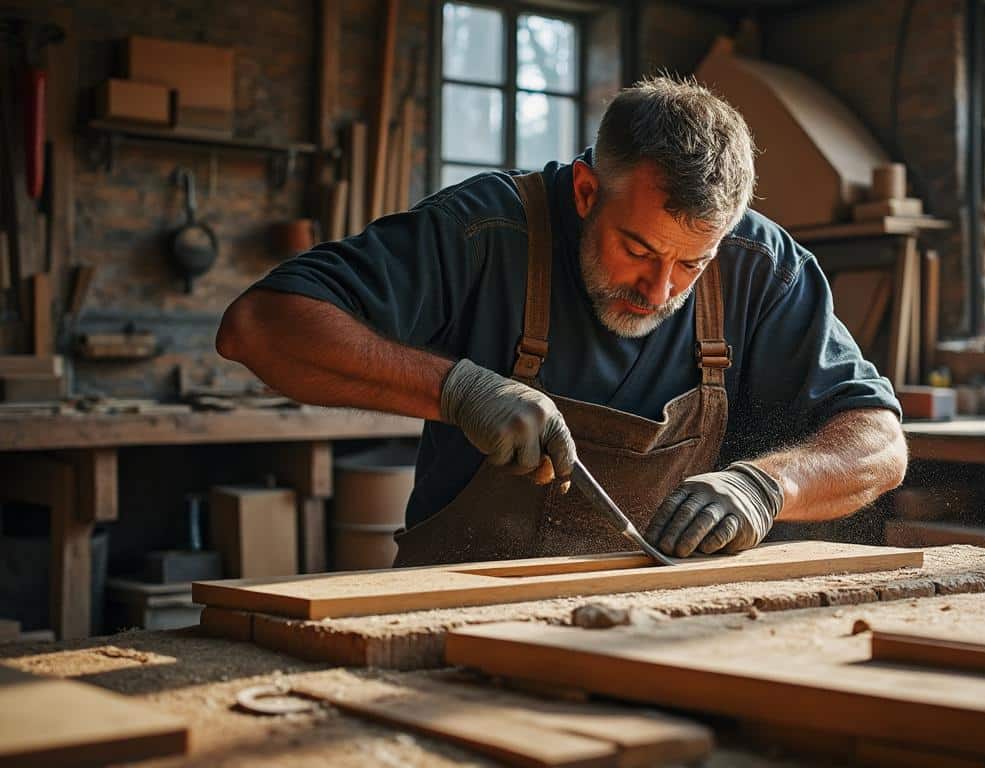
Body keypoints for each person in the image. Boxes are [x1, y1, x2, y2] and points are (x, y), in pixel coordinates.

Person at [216, 76, 906, 566]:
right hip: (457, 606)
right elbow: (260, 327)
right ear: (585, 191)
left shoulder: (761, 265)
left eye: (691, 264)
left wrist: (765, 486)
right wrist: (458, 390)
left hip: (653, 622)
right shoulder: (485, 230)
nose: (660, 288)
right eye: (637, 249)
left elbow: (881, 443)